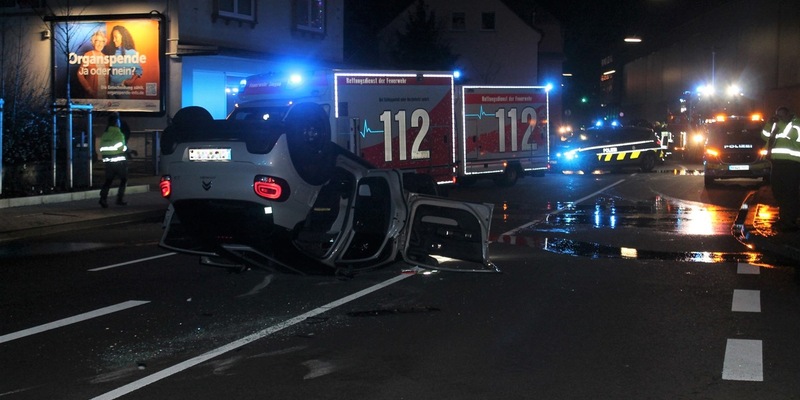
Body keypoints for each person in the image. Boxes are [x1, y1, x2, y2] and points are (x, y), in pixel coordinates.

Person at [762, 106, 800, 232]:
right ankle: (783, 219)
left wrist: (780, 123)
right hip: (777, 163)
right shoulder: (777, 124)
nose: (778, 117)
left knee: (790, 192)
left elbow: (791, 135)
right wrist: (769, 123)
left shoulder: (795, 124)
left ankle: (790, 221)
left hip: (792, 164)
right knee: (778, 191)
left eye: (781, 115)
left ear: (789, 115)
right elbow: (764, 136)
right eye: (777, 115)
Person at [98, 113, 129, 208]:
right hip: (119, 161)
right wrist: (125, 149)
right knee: (123, 180)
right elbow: (122, 147)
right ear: (116, 122)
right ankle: (119, 199)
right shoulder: (118, 133)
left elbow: (101, 148)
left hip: (108, 161)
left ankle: (103, 198)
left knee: (108, 180)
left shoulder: (105, 134)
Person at [104, 25, 143, 98]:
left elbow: (139, 70)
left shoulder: (131, 53)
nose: (113, 40)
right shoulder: (111, 52)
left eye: (116, 37)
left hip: (123, 87)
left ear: (123, 37)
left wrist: (131, 81)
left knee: (124, 108)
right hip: (111, 87)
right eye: (113, 37)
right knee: (110, 108)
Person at [76, 30, 109, 99]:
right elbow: (80, 74)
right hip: (93, 93)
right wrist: (89, 89)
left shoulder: (106, 58)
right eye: (98, 41)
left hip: (104, 94)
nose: (100, 44)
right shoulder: (88, 55)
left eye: (102, 41)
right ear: (93, 42)